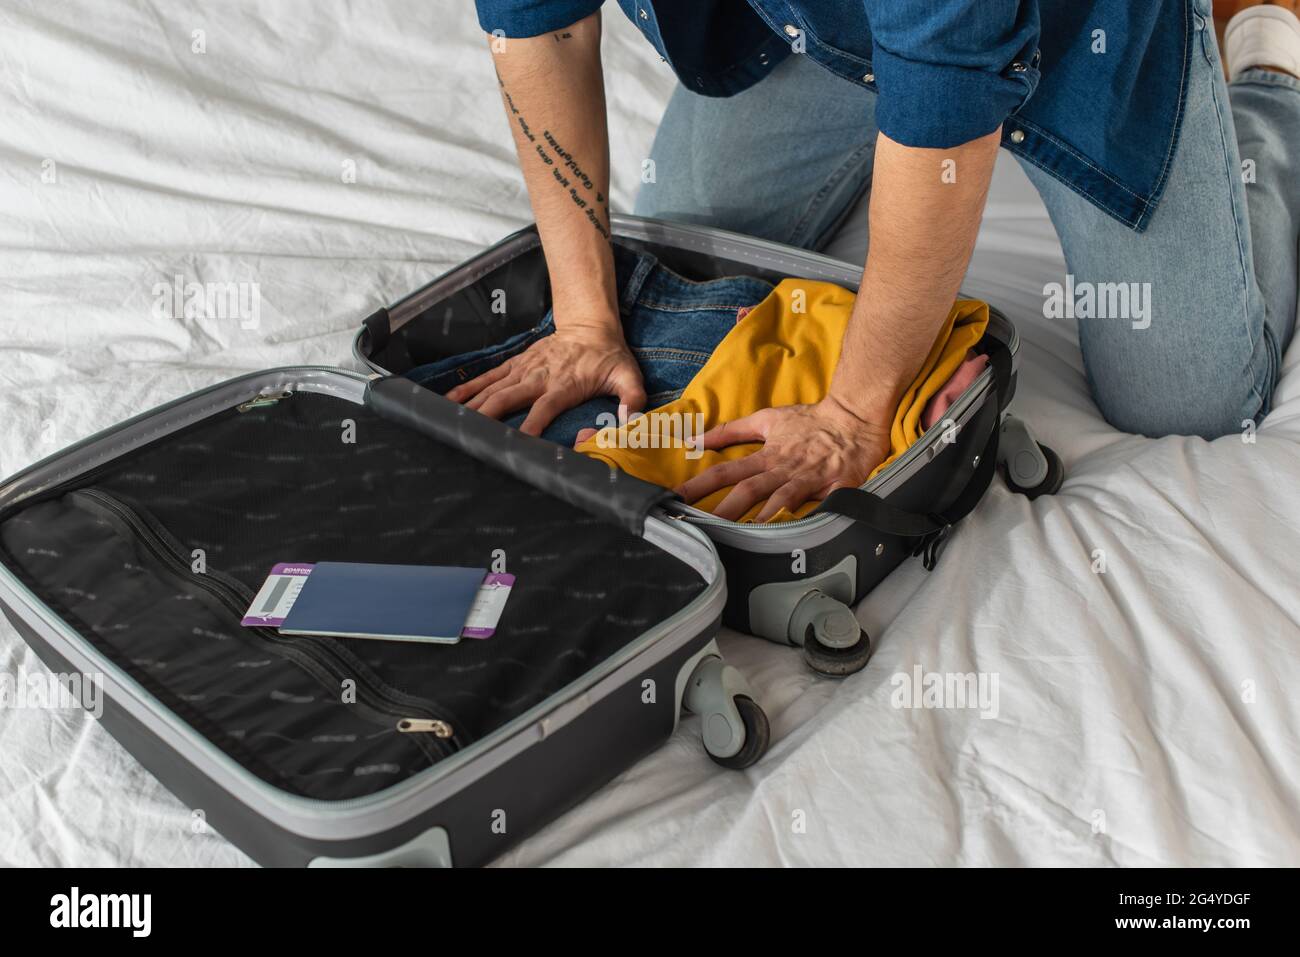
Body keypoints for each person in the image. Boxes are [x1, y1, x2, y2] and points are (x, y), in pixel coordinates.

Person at [458, 0, 1300, 520]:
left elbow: (945, 123)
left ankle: (1268, 81)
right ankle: (879, 63)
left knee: (1190, 395)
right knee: (695, 233)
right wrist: (583, 317)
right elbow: (543, 26)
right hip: (847, 17)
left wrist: (856, 416)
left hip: (1085, 31)